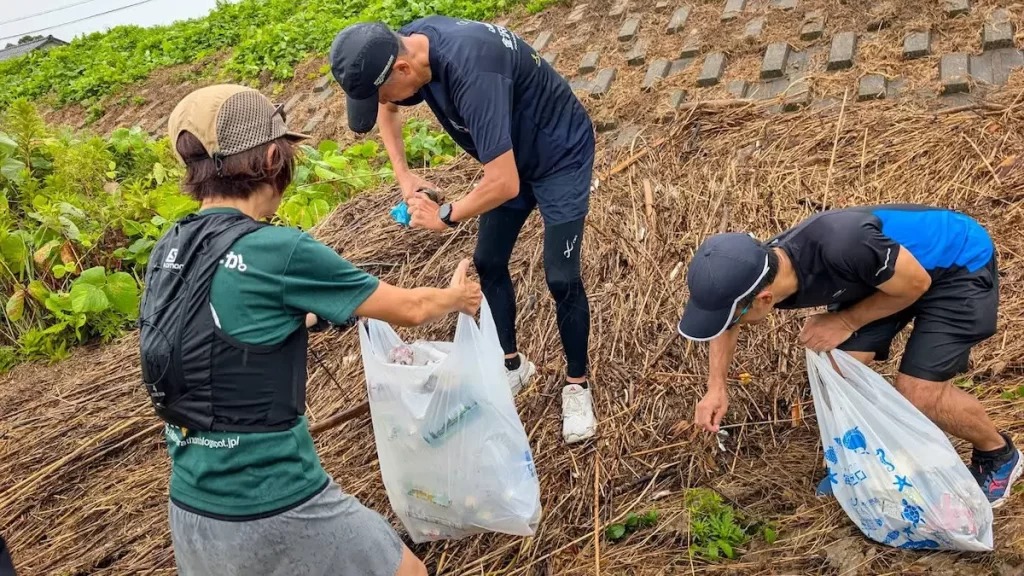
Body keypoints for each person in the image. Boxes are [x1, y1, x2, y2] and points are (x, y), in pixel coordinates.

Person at [139, 84, 483, 576]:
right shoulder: (278, 249)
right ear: (275, 157)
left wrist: (309, 314)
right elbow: (408, 309)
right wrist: (456, 298)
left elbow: (216, 333)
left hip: (193, 512)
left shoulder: (170, 248)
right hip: (274, 500)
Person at [327, 17, 598, 444]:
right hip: (507, 156)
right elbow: (388, 106)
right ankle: (513, 366)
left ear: (402, 71)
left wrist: (447, 215)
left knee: (561, 277)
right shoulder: (406, 45)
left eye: (380, 90)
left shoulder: (472, 72)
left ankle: (578, 385)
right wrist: (404, 175)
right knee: (488, 261)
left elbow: (503, 184)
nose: (383, 101)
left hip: (558, 155)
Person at [677, 205, 1022, 507]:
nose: (732, 322)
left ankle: (998, 454)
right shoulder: (756, 269)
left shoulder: (840, 245)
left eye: (735, 314)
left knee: (919, 392)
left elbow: (915, 284)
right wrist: (716, 386)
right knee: (837, 371)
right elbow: (728, 318)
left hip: (956, 263)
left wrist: (845, 320)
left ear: (766, 299)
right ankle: (865, 463)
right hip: (883, 278)